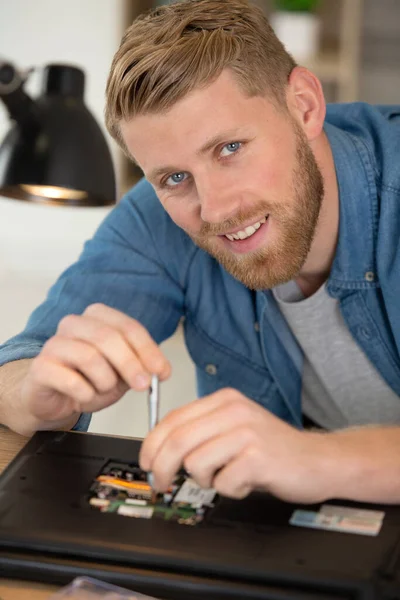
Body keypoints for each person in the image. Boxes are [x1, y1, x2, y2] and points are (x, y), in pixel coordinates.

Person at [1, 0, 400, 505]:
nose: (214, 210)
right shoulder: (156, 216)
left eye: (230, 148)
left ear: (304, 105)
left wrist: (314, 459)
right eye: (174, 178)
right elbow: (21, 365)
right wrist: (32, 391)